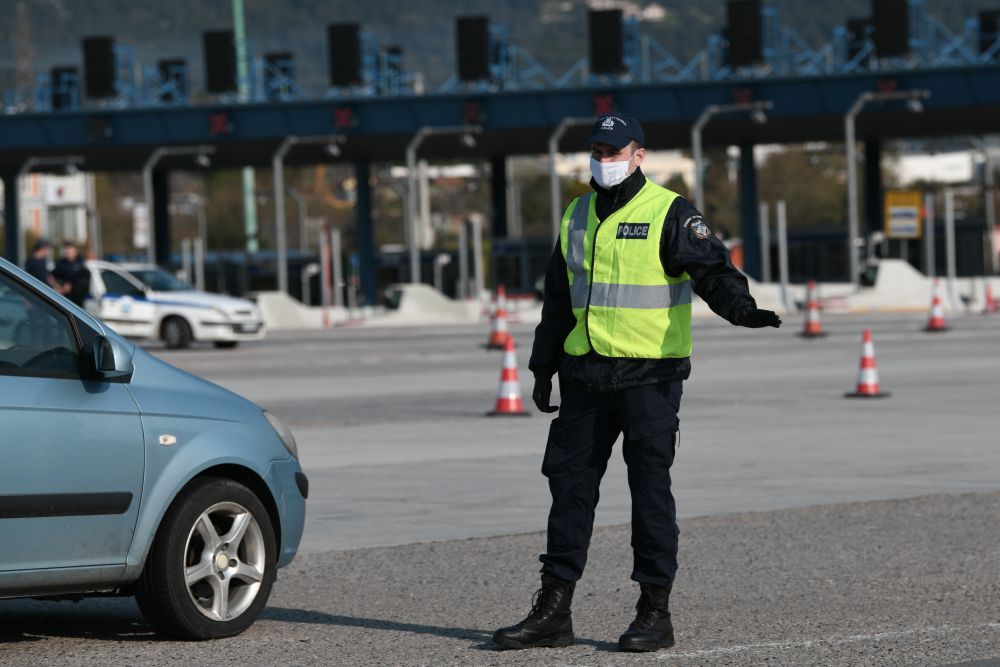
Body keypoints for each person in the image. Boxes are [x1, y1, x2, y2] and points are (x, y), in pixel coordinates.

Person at [493, 114, 781, 653]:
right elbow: (559, 298)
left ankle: (654, 613)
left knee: (649, 492)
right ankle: (553, 612)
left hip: (649, 376)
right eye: (597, 151)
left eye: (614, 150)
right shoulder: (576, 214)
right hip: (585, 374)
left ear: (639, 154)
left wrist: (740, 308)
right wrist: (541, 365)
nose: (604, 160)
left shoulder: (669, 211)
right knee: (568, 490)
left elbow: (711, 270)